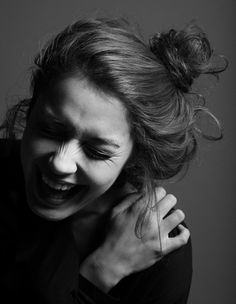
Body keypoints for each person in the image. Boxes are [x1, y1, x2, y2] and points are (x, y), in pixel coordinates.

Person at [0, 17, 226, 304]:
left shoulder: (160, 247)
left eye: (97, 151)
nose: (60, 163)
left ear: (136, 155)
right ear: (30, 112)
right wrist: (101, 274)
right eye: (50, 130)